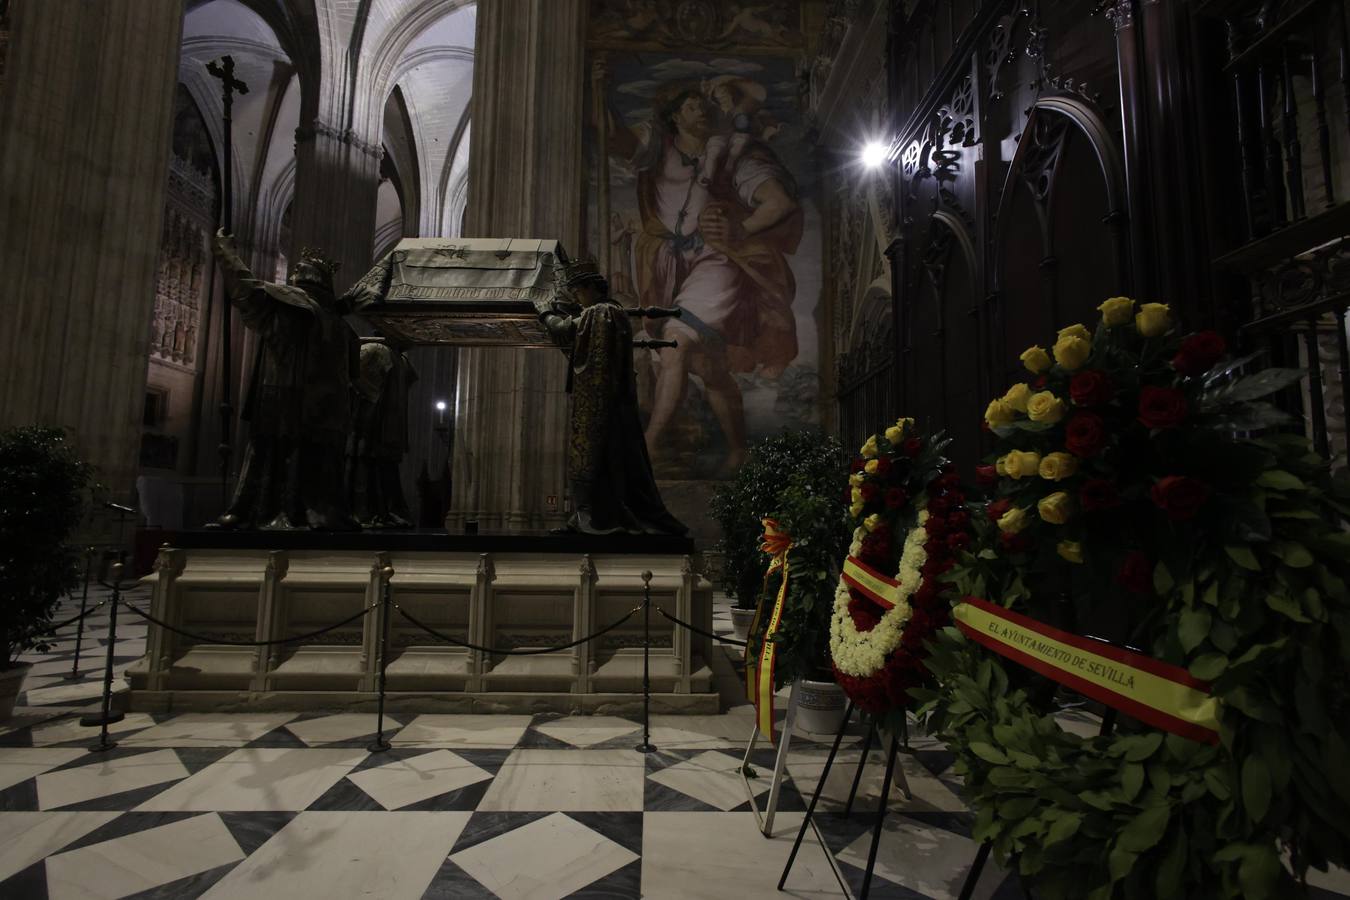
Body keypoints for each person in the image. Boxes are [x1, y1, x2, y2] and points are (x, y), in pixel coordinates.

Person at [596, 61, 803, 476]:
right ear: (675, 115)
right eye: (692, 105)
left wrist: (740, 229)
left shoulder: (730, 154)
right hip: (670, 268)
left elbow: (779, 202)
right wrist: (596, 89)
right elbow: (614, 137)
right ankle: (738, 450)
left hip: (716, 262)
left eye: (706, 104)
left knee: (675, 342)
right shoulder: (659, 149)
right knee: (708, 367)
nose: (703, 111)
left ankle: (646, 448)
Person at [209, 229, 360, 530]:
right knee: (311, 463)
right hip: (325, 413)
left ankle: (269, 510)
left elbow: (245, 290)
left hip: (285, 397)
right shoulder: (343, 328)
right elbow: (355, 378)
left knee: (274, 456)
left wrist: (225, 252)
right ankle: (312, 513)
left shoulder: (292, 303)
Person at [538, 257, 687, 536]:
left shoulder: (602, 312)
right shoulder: (610, 312)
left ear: (590, 287)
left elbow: (563, 330)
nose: (577, 298)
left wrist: (544, 312)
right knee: (613, 461)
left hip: (601, 404)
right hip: (611, 403)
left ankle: (596, 518)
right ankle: (590, 515)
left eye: (577, 292)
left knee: (602, 460)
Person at [346, 336, 418, 528]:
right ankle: (366, 512)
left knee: (380, 468)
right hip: (373, 421)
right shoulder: (379, 351)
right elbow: (354, 376)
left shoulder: (396, 357)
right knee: (366, 466)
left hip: (384, 423)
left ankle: (379, 512)